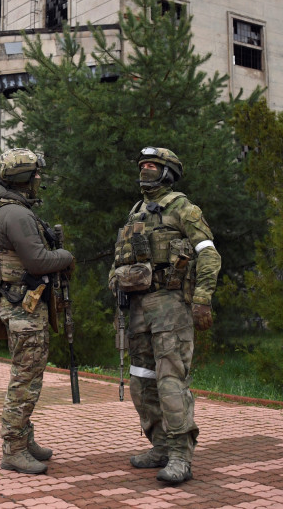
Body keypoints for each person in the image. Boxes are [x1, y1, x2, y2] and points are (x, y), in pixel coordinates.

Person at [108, 147, 221, 485]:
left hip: (171, 306)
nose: (145, 169)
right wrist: (116, 280)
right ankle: (159, 446)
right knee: (141, 382)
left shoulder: (183, 208)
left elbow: (209, 254)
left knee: (170, 381)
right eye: (142, 165)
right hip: (138, 308)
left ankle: (180, 455)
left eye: (152, 165)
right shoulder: (137, 210)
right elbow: (122, 257)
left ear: (168, 172)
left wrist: (202, 299)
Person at [0, 148, 74, 475]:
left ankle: (24, 438)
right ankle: (14, 448)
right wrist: (65, 256)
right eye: (35, 173)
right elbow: (37, 261)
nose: (38, 178)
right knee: (25, 379)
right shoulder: (15, 214)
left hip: (16, 303)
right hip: (24, 308)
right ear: (23, 178)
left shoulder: (2, 207)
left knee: (28, 375)